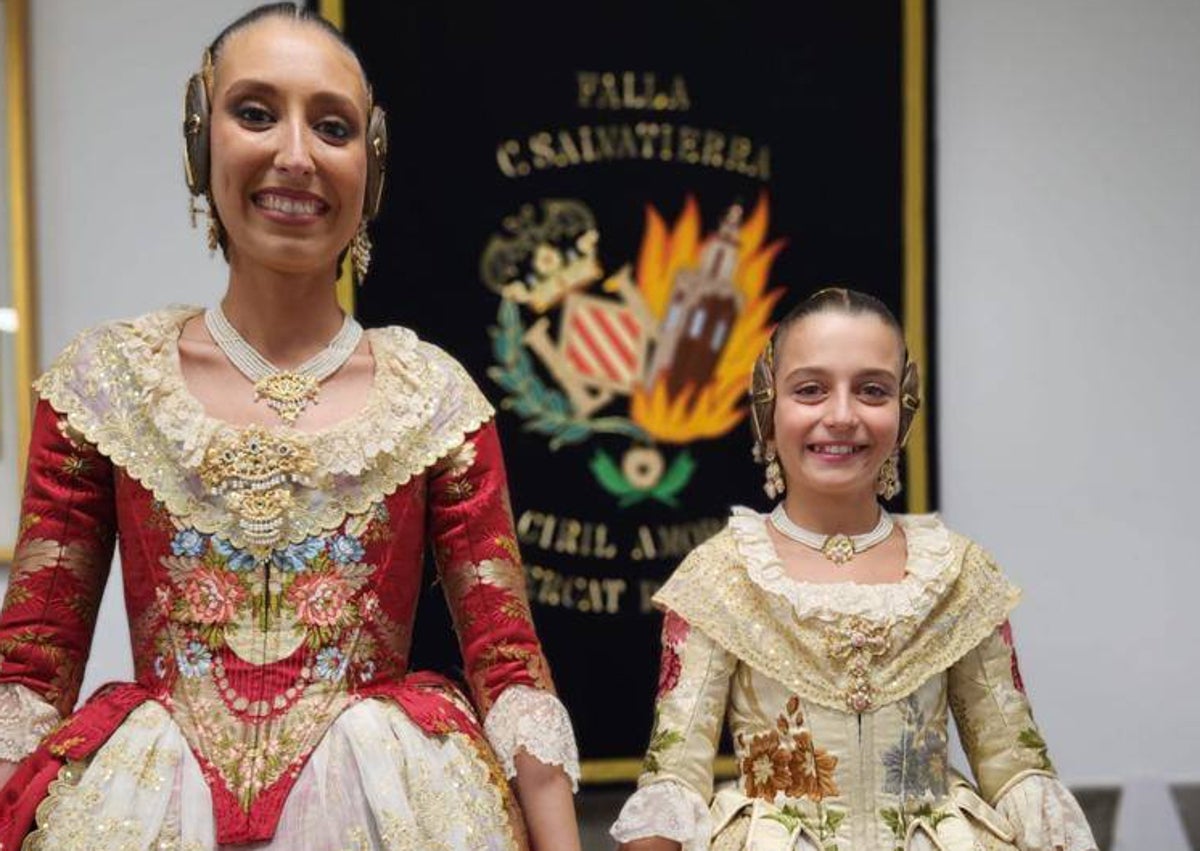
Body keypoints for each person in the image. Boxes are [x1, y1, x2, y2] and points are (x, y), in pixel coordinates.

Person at [0, 5, 581, 849]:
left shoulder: (432, 396)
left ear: (371, 166)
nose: (296, 155)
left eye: (333, 125)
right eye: (256, 112)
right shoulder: (106, 384)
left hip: (391, 806)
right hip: (145, 809)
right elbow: (30, 672)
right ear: (202, 140)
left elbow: (508, 664)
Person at [610, 288, 1097, 851]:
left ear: (904, 407)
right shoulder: (722, 576)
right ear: (768, 407)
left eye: (871, 390)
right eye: (811, 390)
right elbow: (675, 778)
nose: (841, 416)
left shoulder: (957, 573)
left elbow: (1014, 767)